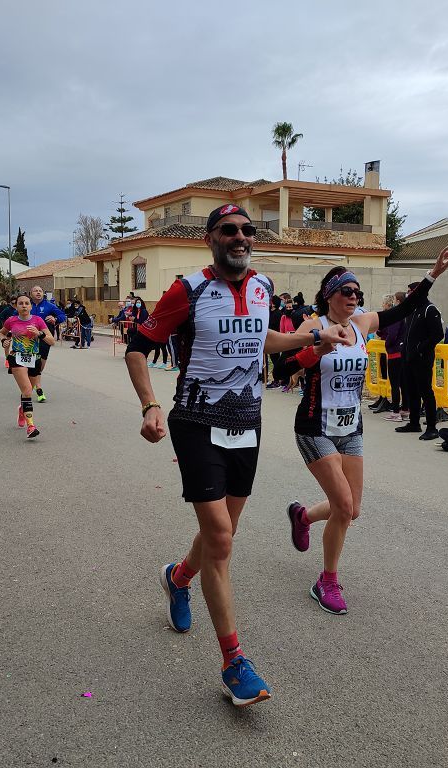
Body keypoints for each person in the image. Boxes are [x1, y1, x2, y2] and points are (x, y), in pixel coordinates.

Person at [124, 203, 354, 708]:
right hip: (195, 422)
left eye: (247, 230)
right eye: (229, 230)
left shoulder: (263, 288)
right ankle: (234, 662)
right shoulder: (188, 290)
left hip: (246, 425)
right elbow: (137, 345)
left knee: (220, 532)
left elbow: (262, 340)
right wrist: (150, 404)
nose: (240, 237)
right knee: (223, 541)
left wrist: (314, 337)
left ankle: (178, 577)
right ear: (210, 238)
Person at [280, 250, 448, 616]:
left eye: (357, 291)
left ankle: (303, 517)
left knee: (352, 509)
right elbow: (282, 368)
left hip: (351, 428)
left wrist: (433, 272)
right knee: (343, 506)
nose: (353, 297)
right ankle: (326, 581)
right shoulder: (310, 325)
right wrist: (317, 348)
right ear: (328, 294)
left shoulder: (362, 324)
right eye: (346, 290)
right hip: (315, 426)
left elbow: (405, 309)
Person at [0, 294, 57, 439]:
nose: (24, 306)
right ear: (16, 306)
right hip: (17, 357)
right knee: (27, 390)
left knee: (28, 392)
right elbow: (1, 333)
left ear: (31, 306)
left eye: (26, 303)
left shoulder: (38, 320)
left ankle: (21, 410)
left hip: (33, 359)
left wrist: (39, 334)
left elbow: (51, 341)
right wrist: (4, 340)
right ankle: (31, 426)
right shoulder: (11, 320)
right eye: (20, 303)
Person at [395, 278, 445, 440]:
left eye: (411, 291)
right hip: (408, 358)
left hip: (422, 359)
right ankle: (414, 423)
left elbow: (438, 335)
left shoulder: (430, 309)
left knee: (426, 392)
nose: (408, 294)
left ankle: (431, 427)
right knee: (411, 392)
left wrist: (419, 349)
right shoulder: (412, 309)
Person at [27, 286, 66, 403]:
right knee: (32, 363)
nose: (38, 292)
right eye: (36, 291)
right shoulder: (27, 305)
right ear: (31, 293)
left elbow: (63, 316)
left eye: (40, 291)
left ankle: (32, 383)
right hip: (28, 340)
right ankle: (38, 388)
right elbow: (15, 317)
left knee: (40, 365)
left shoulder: (50, 306)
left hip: (45, 339)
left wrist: (55, 318)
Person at [377, 292, 408, 422]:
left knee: (395, 384)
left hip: (394, 353)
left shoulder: (396, 316)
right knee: (403, 383)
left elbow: (392, 334)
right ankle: (405, 409)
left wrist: (387, 344)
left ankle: (396, 412)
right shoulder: (404, 315)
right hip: (402, 352)